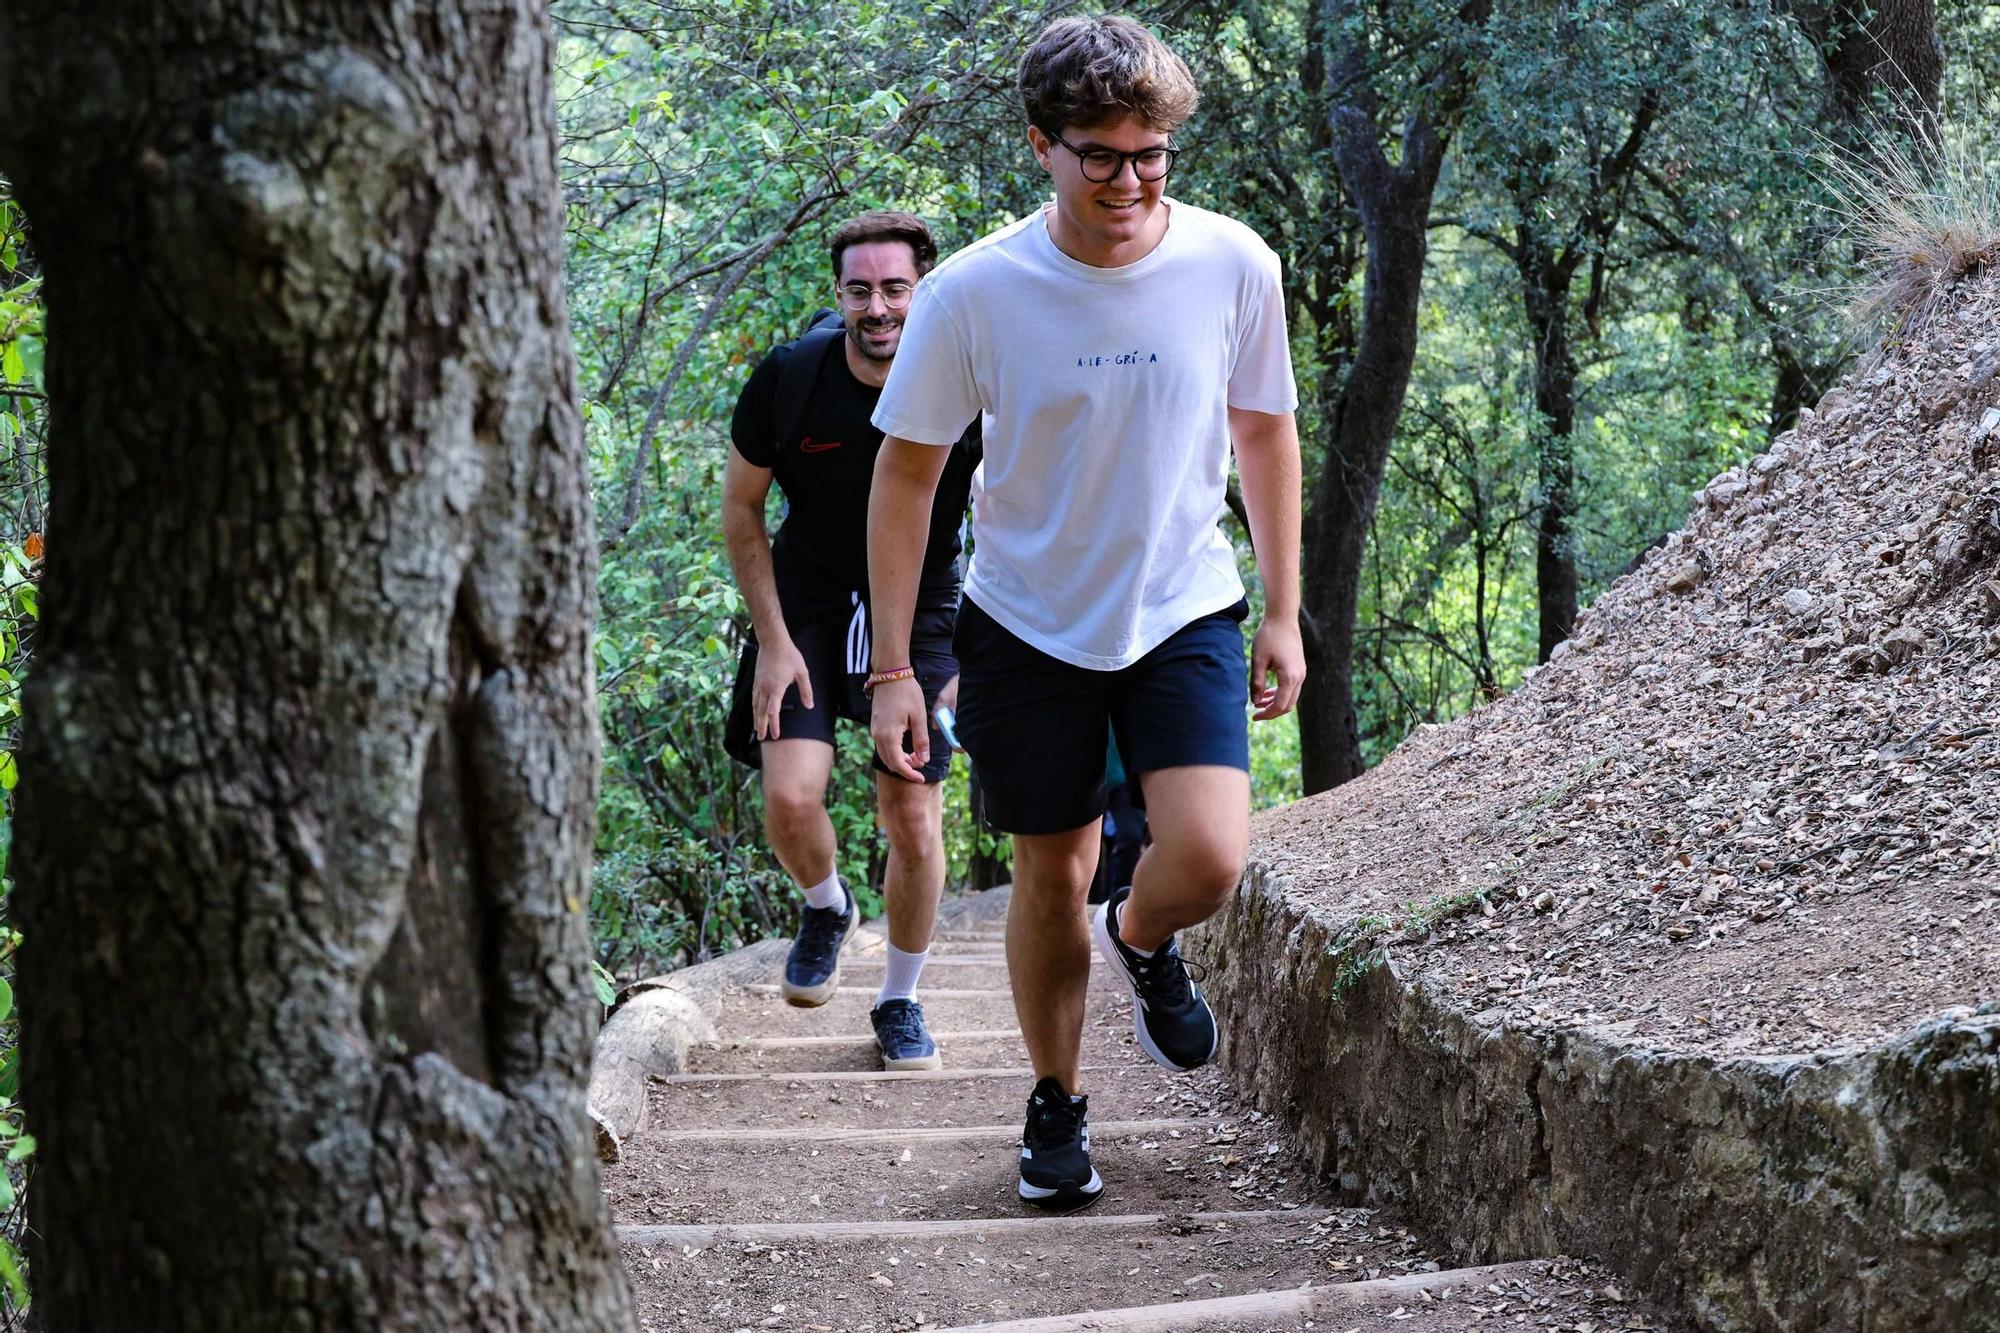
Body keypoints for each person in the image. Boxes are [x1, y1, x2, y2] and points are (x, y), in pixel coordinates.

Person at [865, 15, 1304, 1211]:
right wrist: (894, 667)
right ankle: (1055, 1104)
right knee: (1048, 873)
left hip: (1181, 604)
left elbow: (1263, 431)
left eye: (1149, 154)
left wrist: (1283, 607)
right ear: (1040, 146)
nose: (1127, 180)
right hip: (1027, 620)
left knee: (1207, 855)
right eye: (1098, 155)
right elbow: (905, 475)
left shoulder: (1231, 263)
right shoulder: (974, 292)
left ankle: (1142, 936)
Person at [722, 210, 981, 1071]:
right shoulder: (792, 377)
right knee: (791, 796)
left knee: (911, 812)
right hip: (810, 595)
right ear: (837, 294)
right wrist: (772, 638)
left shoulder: (967, 380)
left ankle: (899, 998)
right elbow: (742, 508)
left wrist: (966, 656)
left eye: (896, 289)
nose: (878, 308)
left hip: (926, 599)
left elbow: (1015, 511)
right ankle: (828, 905)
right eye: (860, 290)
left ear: (924, 291)